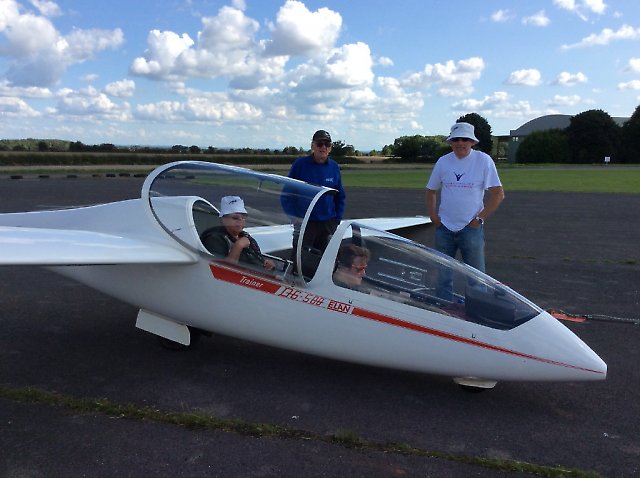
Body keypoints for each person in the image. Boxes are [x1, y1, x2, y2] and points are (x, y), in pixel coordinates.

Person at [425, 122, 504, 298]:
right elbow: (431, 190)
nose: (460, 143)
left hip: (471, 229)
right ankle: (443, 306)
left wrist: (479, 219)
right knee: (442, 277)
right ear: (451, 142)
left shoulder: (483, 161)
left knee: (476, 278)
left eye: (464, 139)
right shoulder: (443, 162)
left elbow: (498, 193)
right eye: (456, 139)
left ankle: (478, 309)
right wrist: (433, 217)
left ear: (472, 142)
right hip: (444, 228)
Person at [284, 130, 346, 254]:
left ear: (330, 148)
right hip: (305, 223)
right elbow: (287, 194)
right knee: (301, 257)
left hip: (328, 223)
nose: (323, 147)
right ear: (312, 146)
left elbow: (340, 195)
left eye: (327, 144)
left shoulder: (334, 167)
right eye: (320, 144)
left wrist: (337, 219)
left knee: (327, 258)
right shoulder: (300, 165)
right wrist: (294, 216)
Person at [201, 196, 275, 271]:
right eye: (235, 218)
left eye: (243, 218)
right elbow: (223, 271)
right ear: (223, 219)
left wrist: (265, 263)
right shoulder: (215, 239)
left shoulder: (247, 237)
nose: (240, 221)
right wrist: (238, 246)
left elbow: (257, 259)